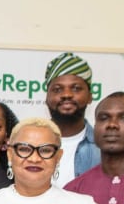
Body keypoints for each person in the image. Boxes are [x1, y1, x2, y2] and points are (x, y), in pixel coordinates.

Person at [43, 52, 101, 187]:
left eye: (76, 88)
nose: (66, 94)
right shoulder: (27, 144)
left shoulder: (103, 148)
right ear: (47, 98)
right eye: (57, 89)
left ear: (90, 97)